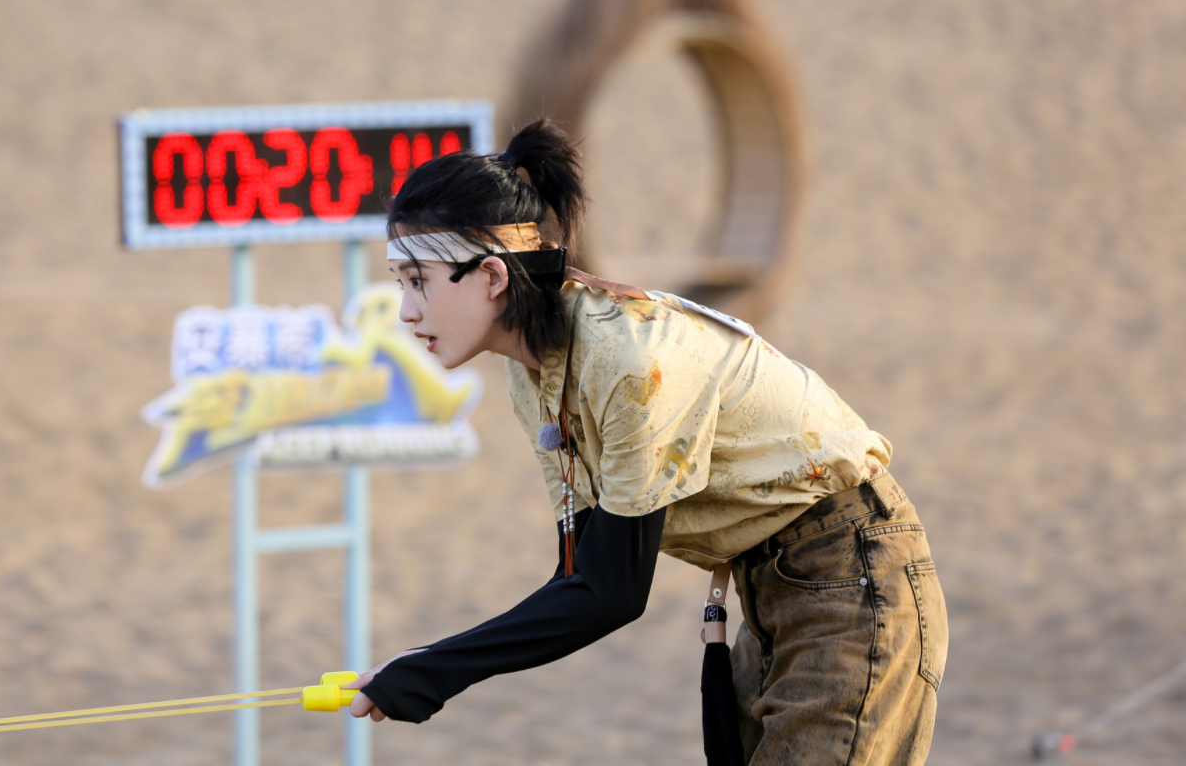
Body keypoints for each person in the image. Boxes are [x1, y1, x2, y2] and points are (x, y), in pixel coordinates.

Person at [347, 118, 948, 765]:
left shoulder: (629, 360)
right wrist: (425, 661)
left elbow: (612, 593)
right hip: (773, 585)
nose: (405, 309)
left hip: (854, 572)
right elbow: (579, 574)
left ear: (492, 276)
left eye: (418, 279)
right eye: (399, 281)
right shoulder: (533, 371)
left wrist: (439, 669)